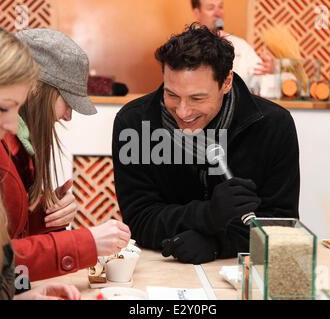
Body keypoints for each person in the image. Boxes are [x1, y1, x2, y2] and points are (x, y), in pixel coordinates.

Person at [112, 23, 300, 264]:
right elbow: (140, 220)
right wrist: (209, 214)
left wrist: (218, 245)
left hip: (240, 268)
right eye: (171, 95)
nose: (182, 111)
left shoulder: (273, 125)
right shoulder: (134, 123)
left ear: (226, 82)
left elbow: (280, 225)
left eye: (197, 98)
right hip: (158, 265)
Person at [0, 28, 131, 281]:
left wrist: (45, 215)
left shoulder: (20, 144)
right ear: (35, 88)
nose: (68, 116)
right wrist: (84, 242)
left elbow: (6, 238)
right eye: (67, 101)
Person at [0, 17, 80, 299]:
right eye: (3, 107)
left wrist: (50, 218)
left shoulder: (6, 147)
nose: (12, 125)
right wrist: (83, 244)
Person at [191, 0, 279, 98]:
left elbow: (261, 86)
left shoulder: (240, 46)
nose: (218, 13)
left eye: (220, 7)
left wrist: (270, 72)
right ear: (197, 13)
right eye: (211, 8)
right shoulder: (187, 45)